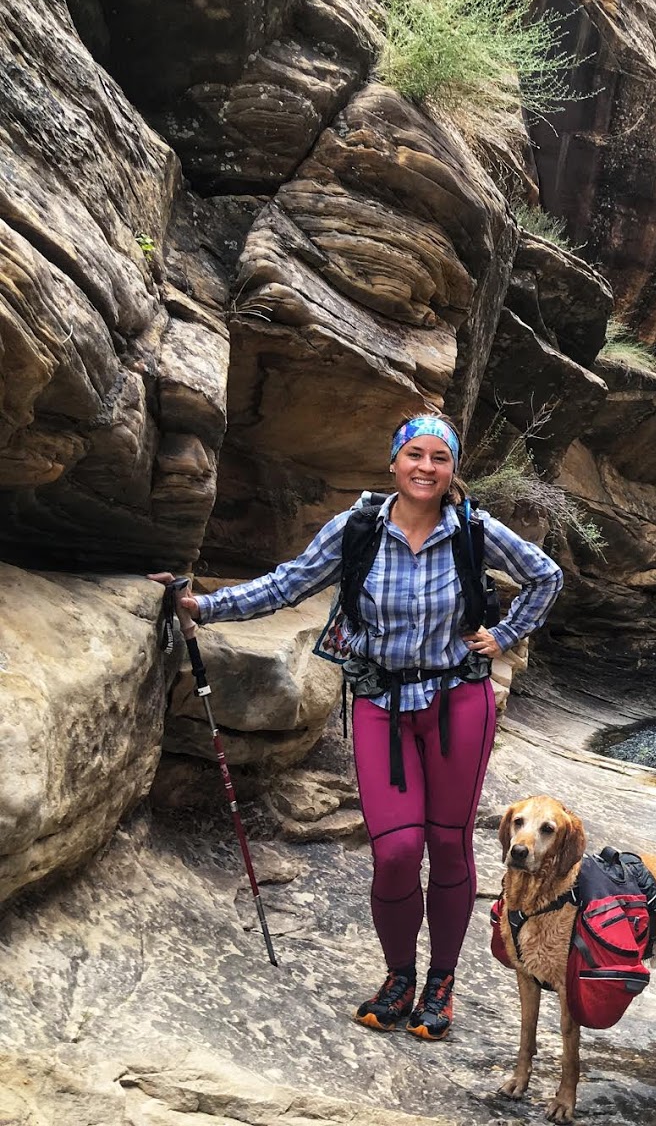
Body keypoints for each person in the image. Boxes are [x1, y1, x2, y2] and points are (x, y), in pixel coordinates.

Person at [152, 412, 563, 1041]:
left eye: (440, 458)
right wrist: (203, 605)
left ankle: (440, 984)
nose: (426, 468)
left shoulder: (473, 530)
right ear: (394, 463)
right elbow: (289, 583)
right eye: (415, 455)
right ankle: (400, 975)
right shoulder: (358, 529)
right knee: (396, 850)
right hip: (381, 704)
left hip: (460, 701)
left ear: (453, 471)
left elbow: (546, 576)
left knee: (448, 847)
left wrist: (503, 636)